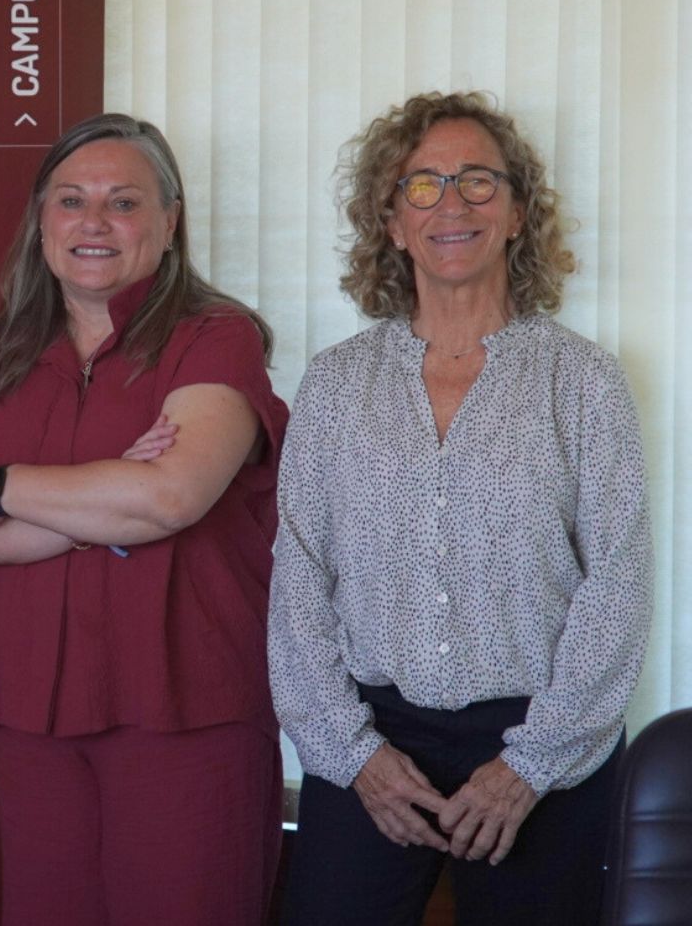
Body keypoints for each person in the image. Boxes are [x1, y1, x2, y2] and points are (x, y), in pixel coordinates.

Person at [269, 91, 651, 925]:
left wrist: (531, 765)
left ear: (516, 214)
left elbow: (617, 586)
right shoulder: (335, 384)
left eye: (479, 181)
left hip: (543, 739)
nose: (453, 204)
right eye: (424, 185)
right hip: (372, 738)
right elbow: (298, 583)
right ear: (392, 222)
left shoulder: (583, 381)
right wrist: (354, 755)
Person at [0, 113, 289, 925]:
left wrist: (0, 486)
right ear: (41, 219)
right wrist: (104, 501)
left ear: (169, 221)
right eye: (71, 200)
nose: (94, 221)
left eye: (124, 202)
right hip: (34, 712)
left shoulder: (216, 339)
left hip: (186, 706)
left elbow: (169, 498)